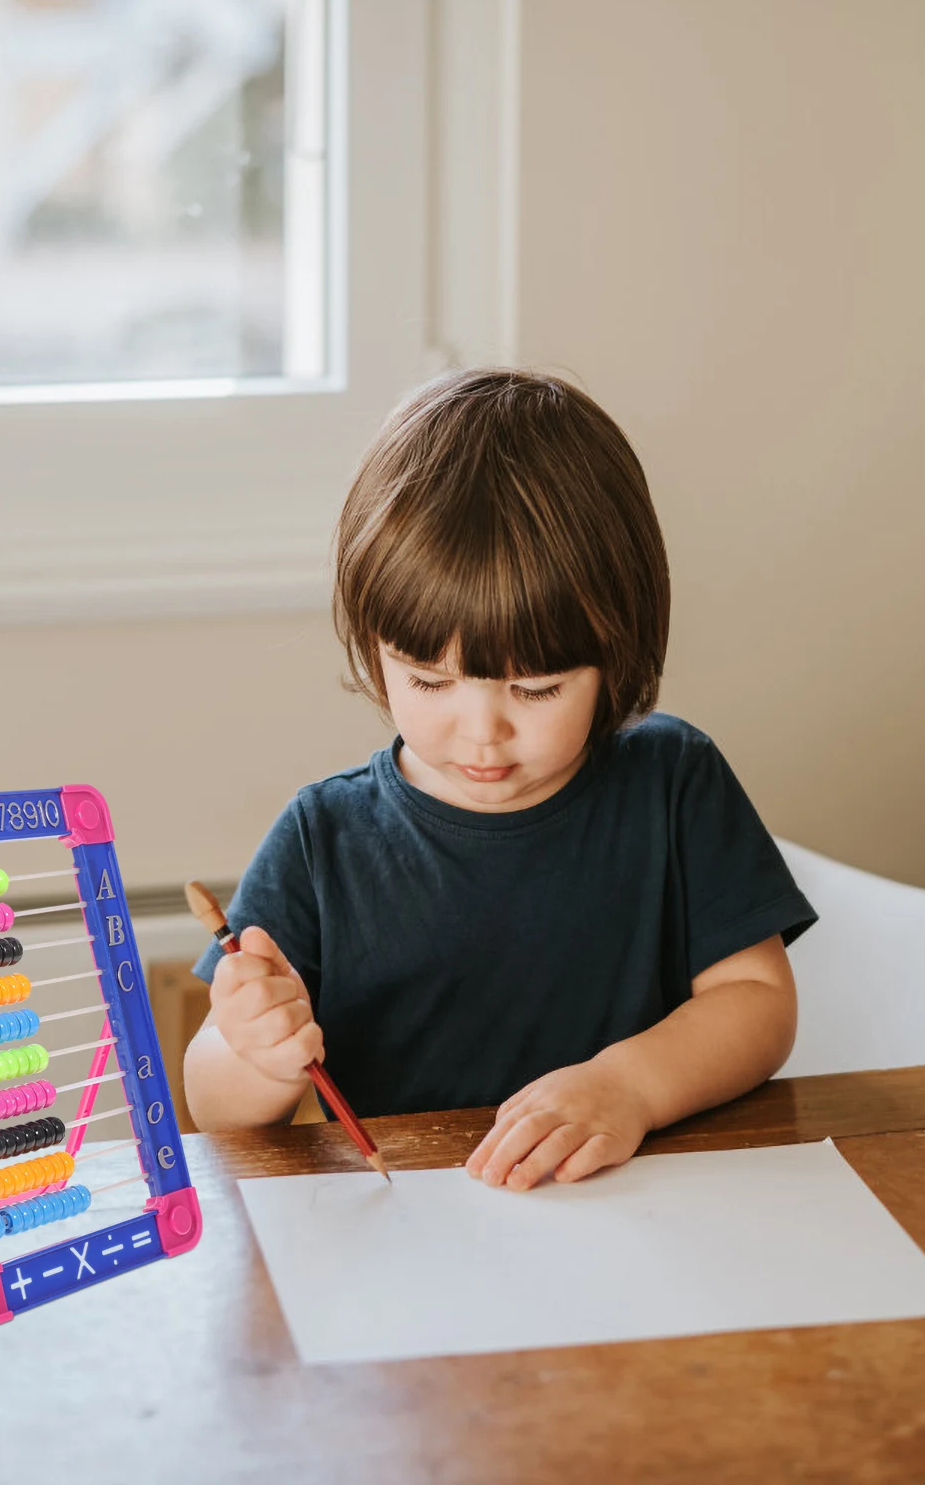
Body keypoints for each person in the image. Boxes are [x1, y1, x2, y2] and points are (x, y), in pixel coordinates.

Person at [183, 368, 814, 1191]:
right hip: (415, 1223)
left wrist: (629, 1085)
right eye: (430, 682)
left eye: (537, 689)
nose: (482, 731)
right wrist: (253, 1051)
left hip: (649, 1205)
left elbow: (758, 1002)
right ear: (374, 649)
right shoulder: (323, 838)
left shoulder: (673, 783)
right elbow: (218, 1111)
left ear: (619, 650)